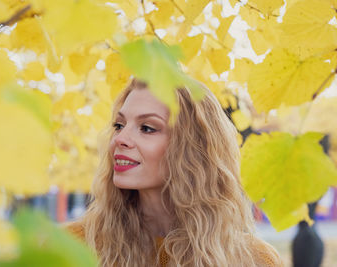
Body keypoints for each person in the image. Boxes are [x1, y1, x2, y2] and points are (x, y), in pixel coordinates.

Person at [65, 78, 283, 266]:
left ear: (192, 149)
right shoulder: (74, 247)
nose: (119, 139)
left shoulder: (254, 260)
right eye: (119, 125)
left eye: (147, 128)